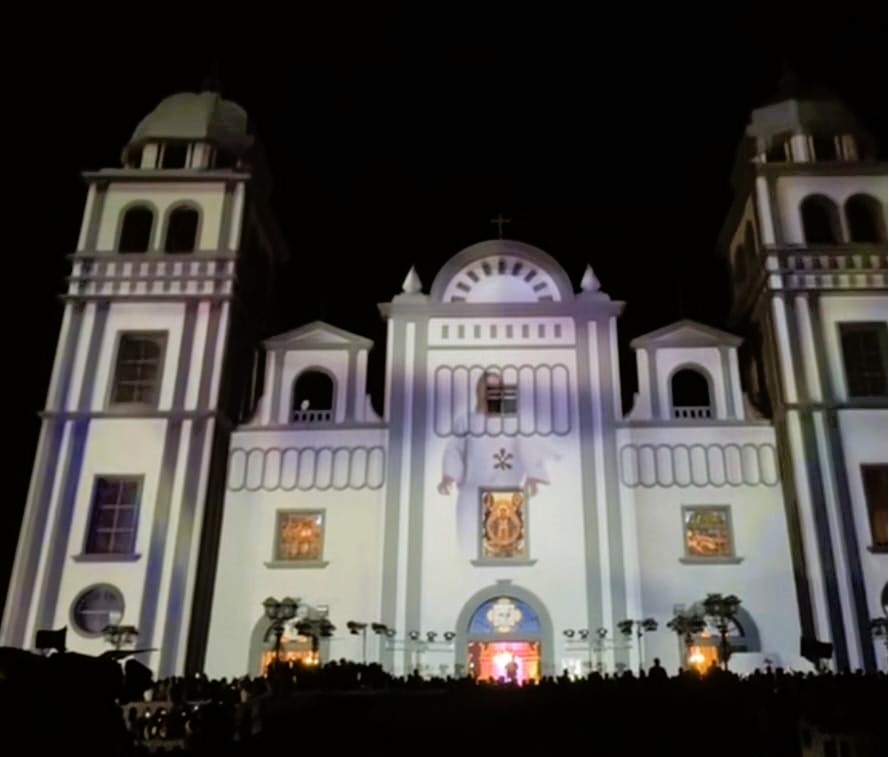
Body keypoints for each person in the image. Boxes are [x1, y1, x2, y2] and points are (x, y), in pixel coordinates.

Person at [438, 371, 555, 558]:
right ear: (480, 390)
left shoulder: (513, 421)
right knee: (469, 546)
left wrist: (533, 475)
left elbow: (529, 444)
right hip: (472, 493)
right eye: (488, 387)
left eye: (497, 388)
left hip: (505, 495)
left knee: (503, 552)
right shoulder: (466, 420)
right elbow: (454, 449)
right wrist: (449, 476)